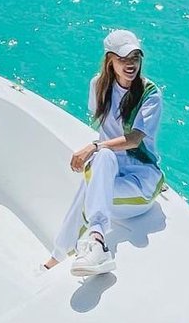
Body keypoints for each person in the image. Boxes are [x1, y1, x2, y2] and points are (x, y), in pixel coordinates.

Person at [44, 29, 165, 277]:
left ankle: (76, 249)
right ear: (110, 59)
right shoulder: (98, 85)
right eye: (123, 58)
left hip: (140, 184)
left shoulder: (150, 94)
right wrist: (99, 150)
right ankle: (91, 243)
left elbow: (135, 139)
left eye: (135, 57)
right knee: (101, 163)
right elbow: (104, 132)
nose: (130, 64)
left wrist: (95, 147)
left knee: (96, 172)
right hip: (111, 172)